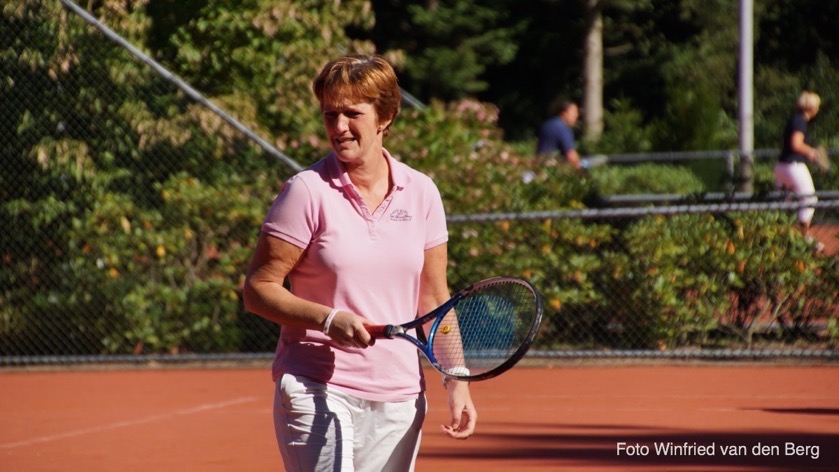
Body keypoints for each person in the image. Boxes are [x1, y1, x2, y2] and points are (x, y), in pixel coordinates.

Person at [243, 54, 477, 471]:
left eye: (352, 114)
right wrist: (329, 319)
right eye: (329, 114)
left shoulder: (422, 192)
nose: (339, 127)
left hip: (400, 395)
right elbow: (258, 289)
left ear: (385, 116)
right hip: (316, 385)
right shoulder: (306, 191)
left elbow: (434, 298)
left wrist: (456, 378)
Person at [775, 90, 823, 251]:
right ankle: (805, 237)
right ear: (812, 107)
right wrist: (811, 152)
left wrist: (807, 153)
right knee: (809, 199)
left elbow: (786, 143)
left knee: (785, 202)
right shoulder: (800, 120)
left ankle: (782, 238)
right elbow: (796, 144)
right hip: (793, 167)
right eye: (817, 106)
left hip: (782, 166)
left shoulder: (794, 119)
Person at [536, 99, 583, 170]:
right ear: (564, 113)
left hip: (540, 166)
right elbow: (571, 156)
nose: (576, 115)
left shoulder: (548, 124)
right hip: (553, 168)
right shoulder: (562, 128)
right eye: (574, 112)